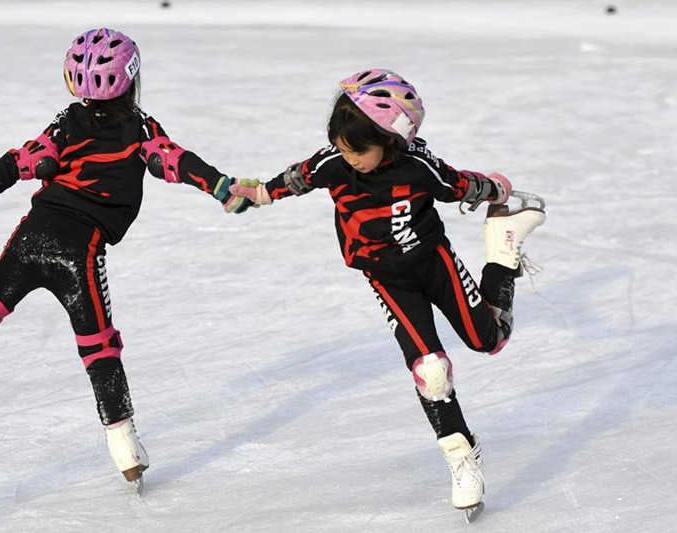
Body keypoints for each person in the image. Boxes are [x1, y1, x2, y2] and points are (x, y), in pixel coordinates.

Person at [0, 28, 254, 489]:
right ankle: (125, 450)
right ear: (132, 79)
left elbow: (19, 162)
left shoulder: (64, 124)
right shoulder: (142, 129)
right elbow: (176, 161)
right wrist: (223, 187)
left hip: (33, 235)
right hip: (78, 254)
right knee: (100, 349)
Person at [228, 68, 545, 513]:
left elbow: (459, 184)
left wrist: (495, 189)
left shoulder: (418, 166)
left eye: (359, 149)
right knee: (431, 370)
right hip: (386, 279)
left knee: (488, 340)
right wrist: (258, 192)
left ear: (391, 140)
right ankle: (461, 456)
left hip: (433, 263)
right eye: (342, 146)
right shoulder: (332, 164)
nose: (349, 157)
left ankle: (504, 249)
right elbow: (294, 178)